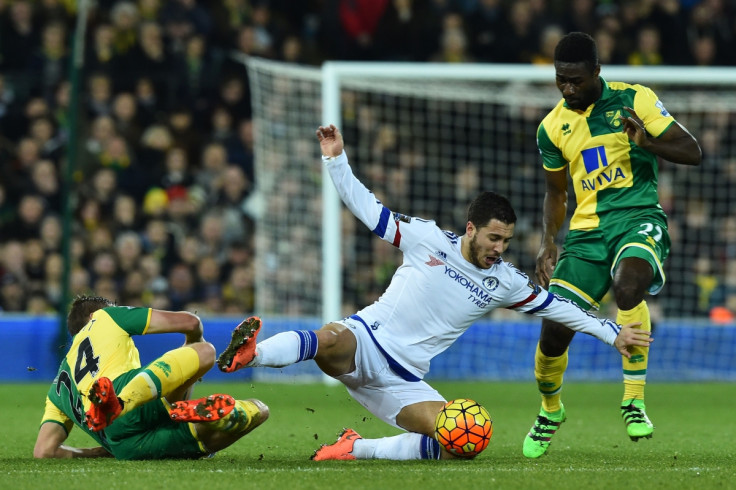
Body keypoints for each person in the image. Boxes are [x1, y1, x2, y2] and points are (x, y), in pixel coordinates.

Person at [216, 124, 652, 462]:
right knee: (328, 338)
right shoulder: (428, 239)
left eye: (506, 242)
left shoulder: (504, 281)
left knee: (463, 441)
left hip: (403, 380)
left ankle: (357, 448)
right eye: (493, 239)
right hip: (366, 342)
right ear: (470, 229)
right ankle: (249, 355)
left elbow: (558, 307)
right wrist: (336, 161)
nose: (499, 250)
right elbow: (371, 212)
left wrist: (612, 333)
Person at [524, 31, 702, 458]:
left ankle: (634, 400)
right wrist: (549, 240)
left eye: (577, 80)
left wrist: (649, 144)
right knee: (553, 335)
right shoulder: (551, 128)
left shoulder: (635, 100)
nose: (568, 88)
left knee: (628, 286)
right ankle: (551, 410)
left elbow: (692, 150)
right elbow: (556, 192)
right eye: (560, 79)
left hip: (638, 218)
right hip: (585, 236)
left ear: (597, 72)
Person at [33, 295, 269, 460]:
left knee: (238, 417)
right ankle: (124, 402)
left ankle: (205, 416)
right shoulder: (104, 317)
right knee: (206, 352)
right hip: (124, 394)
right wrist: (193, 342)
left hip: (123, 446)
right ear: (95, 314)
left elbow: (44, 451)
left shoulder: (58, 386)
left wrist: (98, 452)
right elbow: (191, 321)